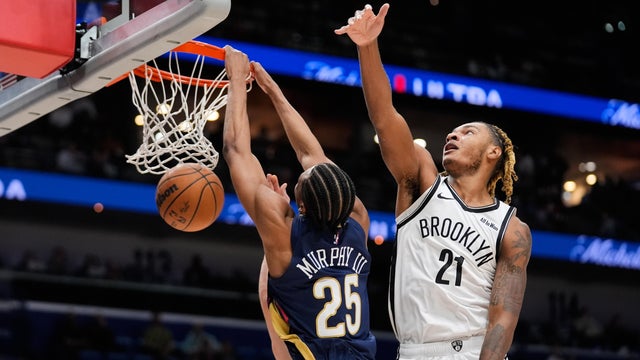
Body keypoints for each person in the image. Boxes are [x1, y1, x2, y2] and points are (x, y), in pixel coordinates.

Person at [335, 4, 532, 360]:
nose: (452, 137)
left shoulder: (512, 228)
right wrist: (367, 46)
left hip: (473, 351)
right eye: (450, 133)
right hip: (412, 351)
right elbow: (384, 118)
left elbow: (504, 316)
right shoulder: (421, 182)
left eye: (466, 132)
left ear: (493, 153)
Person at [222, 46, 376, 360]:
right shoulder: (358, 219)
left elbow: (236, 152)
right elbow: (312, 156)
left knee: (271, 297)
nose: (305, 167)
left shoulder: (285, 234)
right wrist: (274, 92)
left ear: (300, 208)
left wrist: (236, 82)